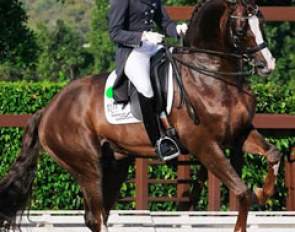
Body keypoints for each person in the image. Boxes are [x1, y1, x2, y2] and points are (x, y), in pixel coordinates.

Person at [108, 0, 188, 160]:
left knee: (179, 65)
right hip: (131, 51)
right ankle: (159, 141)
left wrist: (177, 30)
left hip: (152, 46)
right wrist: (143, 36)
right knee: (145, 88)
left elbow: (166, 24)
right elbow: (115, 33)